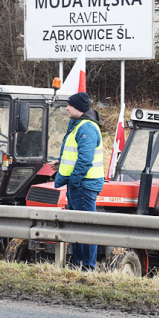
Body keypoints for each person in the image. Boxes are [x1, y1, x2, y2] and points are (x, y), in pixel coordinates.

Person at [49, 92, 104, 271]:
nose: (66, 108)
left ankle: (87, 267)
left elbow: (85, 159)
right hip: (80, 185)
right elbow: (76, 153)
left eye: (69, 105)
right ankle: (79, 264)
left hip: (83, 185)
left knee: (85, 228)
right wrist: (61, 160)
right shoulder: (80, 125)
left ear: (78, 108)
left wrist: (73, 181)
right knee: (78, 227)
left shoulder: (86, 127)